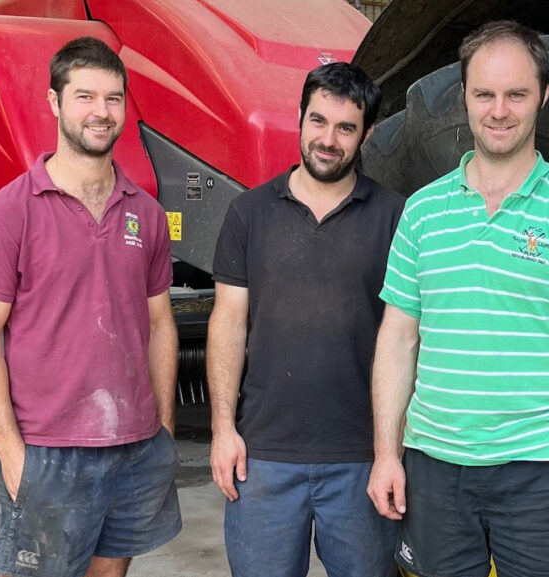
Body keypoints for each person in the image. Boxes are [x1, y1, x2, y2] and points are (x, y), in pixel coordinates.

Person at [367, 20, 549, 577]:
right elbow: (398, 338)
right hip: (434, 467)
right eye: (484, 93)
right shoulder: (422, 212)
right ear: (464, 97)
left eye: (516, 94)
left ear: (543, 96)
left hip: (541, 470)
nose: (498, 110)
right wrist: (388, 454)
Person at [0, 37, 181, 577]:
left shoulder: (147, 215)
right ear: (55, 103)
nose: (100, 112)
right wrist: (12, 452)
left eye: (113, 98)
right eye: (84, 96)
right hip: (48, 448)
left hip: (133, 443)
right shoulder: (7, 213)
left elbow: (159, 325)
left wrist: (165, 430)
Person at [207, 62, 403, 577]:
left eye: (345, 128)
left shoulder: (397, 218)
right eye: (318, 121)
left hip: (362, 458)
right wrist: (223, 429)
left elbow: (410, 340)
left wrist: (393, 452)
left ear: (368, 134)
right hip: (264, 458)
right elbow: (227, 325)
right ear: (299, 119)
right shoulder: (248, 214)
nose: (328, 140)